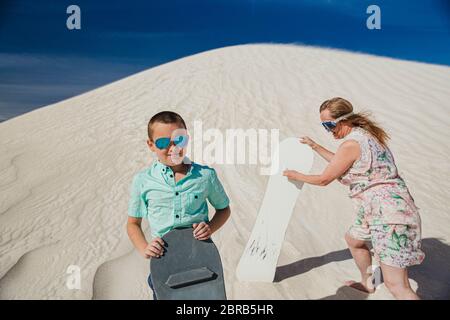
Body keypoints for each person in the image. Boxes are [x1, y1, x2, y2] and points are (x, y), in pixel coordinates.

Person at [283, 97, 424, 300]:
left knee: (398, 286)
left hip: (390, 213)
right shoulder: (365, 137)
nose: (329, 130)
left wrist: (295, 175)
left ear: (345, 120)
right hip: (376, 209)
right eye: (324, 126)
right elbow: (342, 162)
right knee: (355, 239)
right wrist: (315, 146)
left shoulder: (351, 144)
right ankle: (369, 283)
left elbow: (324, 179)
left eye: (330, 125)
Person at [126, 111, 231, 300]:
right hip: (164, 265)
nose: (173, 148)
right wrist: (144, 247)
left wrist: (210, 228)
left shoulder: (206, 176)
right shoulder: (142, 181)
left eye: (179, 140)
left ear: (187, 138)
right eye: (163, 143)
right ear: (151, 145)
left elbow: (224, 209)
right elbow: (133, 223)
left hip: (202, 260)